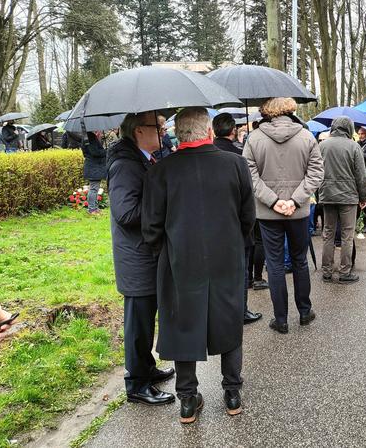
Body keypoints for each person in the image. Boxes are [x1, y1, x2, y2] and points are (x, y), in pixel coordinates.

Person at [142, 107, 255, 424]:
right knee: (230, 318)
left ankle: (188, 399)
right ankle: (232, 392)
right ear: (208, 132)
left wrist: (165, 250)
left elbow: (150, 226)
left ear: (179, 134)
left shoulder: (162, 171)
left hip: (180, 258)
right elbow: (248, 216)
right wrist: (235, 241)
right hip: (227, 256)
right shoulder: (235, 163)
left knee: (183, 322)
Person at [107, 112, 174, 407]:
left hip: (146, 254)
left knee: (147, 320)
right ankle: (136, 384)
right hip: (137, 259)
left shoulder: (141, 159)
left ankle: (146, 368)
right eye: (158, 127)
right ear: (138, 132)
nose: (163, 131)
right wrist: (161, 207)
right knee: (138, 323)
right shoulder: (125, 165)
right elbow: (125, 213)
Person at [242, 97, 324, 335]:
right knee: (299, 260)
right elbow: (316, 172)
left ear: (266, 112)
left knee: (275, 265)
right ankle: (305, 311)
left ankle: (281, 319)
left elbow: (250, 176)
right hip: (297, 211)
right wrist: (295, 200)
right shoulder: (306, 136)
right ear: (290, 110)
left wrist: (274, 202)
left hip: (268, 214)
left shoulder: (254, 138)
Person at [212, 113, 265, 324]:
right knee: (240, 271)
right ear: (233, 131)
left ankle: (220, 311)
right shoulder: (239, 155)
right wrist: (247, 227)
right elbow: (248, 194)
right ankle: (241, 311)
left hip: (214, 223)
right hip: (236, 224)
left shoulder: (208, 153)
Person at [320, 117, 366, 284]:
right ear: (349, 128)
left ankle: (326, 271)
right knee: (347, 235)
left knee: (328, 234)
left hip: (327, 194)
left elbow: (315, 170)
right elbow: (361, 175)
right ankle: (344, 271)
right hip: (348, 196)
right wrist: (363, 197)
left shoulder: (322, 145)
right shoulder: (354, 146)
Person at [81, 131, 107, 215]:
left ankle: (95, 208)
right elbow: (95, 152)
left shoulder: (86, 136)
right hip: (94, 167)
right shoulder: (90, 137)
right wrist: (106, 151)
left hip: (93, 166)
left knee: (94, 188)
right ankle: (92, 209)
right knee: (93, 188)